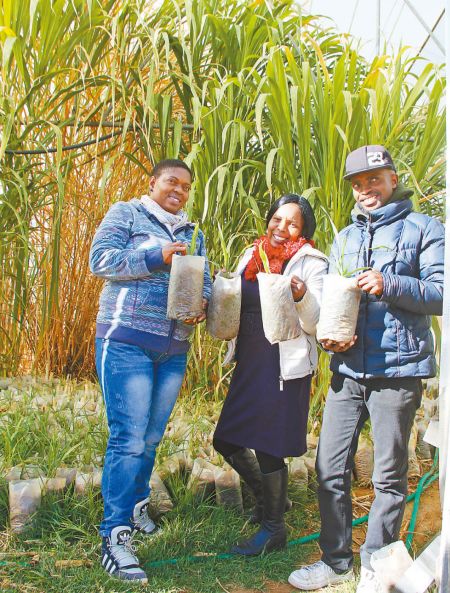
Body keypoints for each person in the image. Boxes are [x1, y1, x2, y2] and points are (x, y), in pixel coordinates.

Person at [288, 145, 444, 592]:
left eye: (373, 179)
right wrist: (332, 334)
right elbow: (338, 299)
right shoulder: (345, 237)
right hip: (348, 370)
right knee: (329, 467)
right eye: (357, 184)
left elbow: (441, 291)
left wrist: (388, 282)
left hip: (399, 371)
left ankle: (377, 565)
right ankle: (336, 561)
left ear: (393, 178)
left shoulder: (425, 228)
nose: (365, 190)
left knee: (389, 475)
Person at [89, 158, 211, 583]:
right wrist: (155, 256)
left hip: (173, 349)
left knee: (151, 437)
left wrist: (203, 305)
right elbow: (100, 260)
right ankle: (114, 535)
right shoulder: (127, 213)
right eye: (172, 182)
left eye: (186, 186)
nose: (179, 190)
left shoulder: (194, 232)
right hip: (125, 341)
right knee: (127, 439)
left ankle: (136, 503)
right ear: (153, 182)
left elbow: (205, 281)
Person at [213, 194, 328, 556]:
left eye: (292, 223)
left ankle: (273, 529)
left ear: (303, 229)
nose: (281, 228)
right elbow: (236, 300)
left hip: (283, 365)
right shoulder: (252, 253)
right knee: (226, 439)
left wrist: (302, 296)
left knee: (267, 445)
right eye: (277, 219)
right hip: (251, 359)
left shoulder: (311, 262)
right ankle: (269, 500)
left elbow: (317, 322)